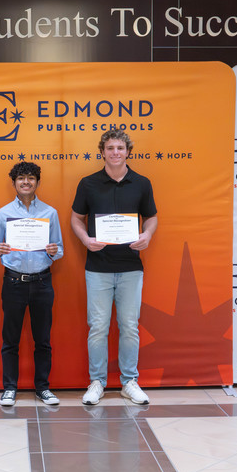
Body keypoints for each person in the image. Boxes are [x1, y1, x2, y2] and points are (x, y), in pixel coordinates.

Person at [70, 129, 158, 406]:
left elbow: (152, 217)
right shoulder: (88, 184)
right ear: (103, 152)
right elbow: (76, 218)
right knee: (98, 327)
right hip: (97, 267)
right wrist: (85, 239)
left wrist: (147, 235)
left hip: (131, 267)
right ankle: (97, 382)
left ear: (128, 151)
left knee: (129, 326)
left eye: (120, 147)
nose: (116, 152)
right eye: (110, 148)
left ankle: (129, 381)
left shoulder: (142, 183)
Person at [0, 162, 64, 407]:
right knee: (11, 339)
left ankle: (43, 388)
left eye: (31, 178)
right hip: (13, 281)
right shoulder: (3, 213)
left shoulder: (50, 213)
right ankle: (10, 387)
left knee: (43, 340)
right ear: (14, 183)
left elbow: (59, 249)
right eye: (21, 178)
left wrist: (53, 251)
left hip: (42, 281)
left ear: (38, 182)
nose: (26, 182)